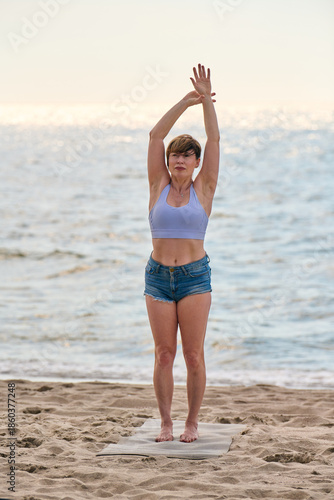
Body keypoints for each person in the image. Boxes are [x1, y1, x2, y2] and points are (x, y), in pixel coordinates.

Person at [144, 64, 220, 443]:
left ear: (196, 163)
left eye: (188, 156)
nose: (179, 160)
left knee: (192, 355)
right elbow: (156, 134)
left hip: (193, 277)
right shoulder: (157, 184)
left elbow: (215, 140)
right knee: (163, 354)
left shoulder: (203, 189)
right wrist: (185, 102)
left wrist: (206, 101)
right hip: (157, 276)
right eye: (176, 155)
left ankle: (191, 422)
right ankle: (166, 423)